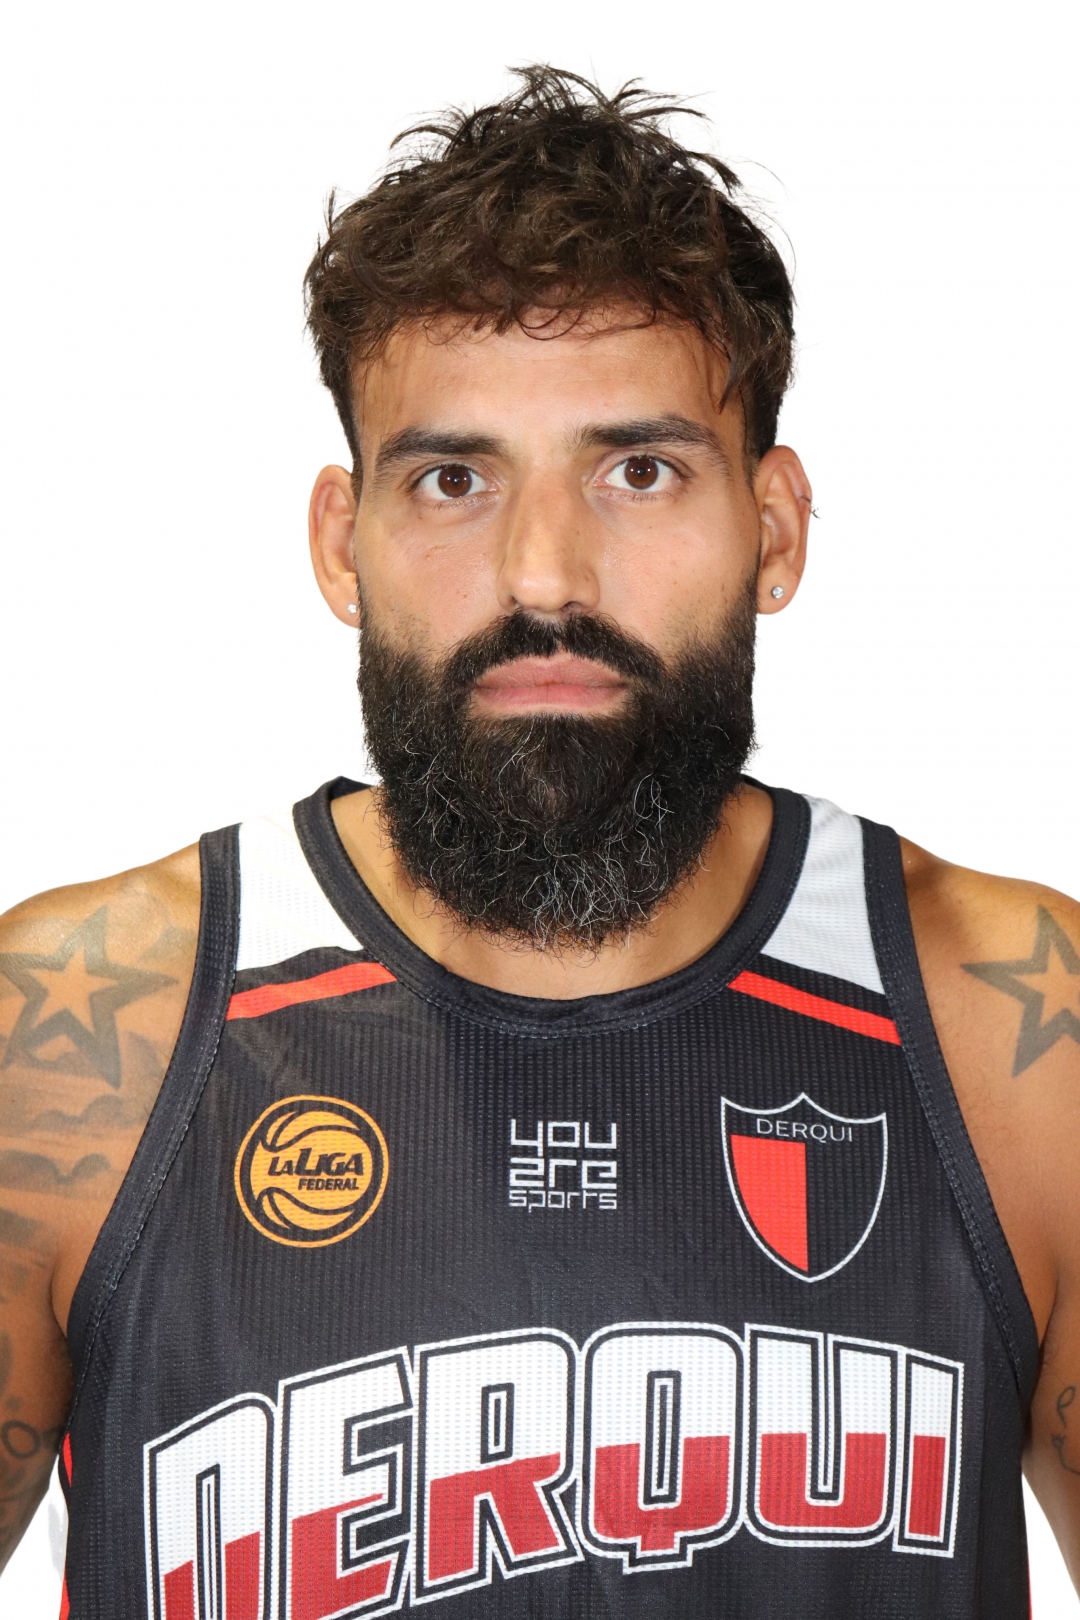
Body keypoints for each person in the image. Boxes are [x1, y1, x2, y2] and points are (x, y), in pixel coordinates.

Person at [0, 64, 1077, 1620]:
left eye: (639, 471)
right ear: (342, 543)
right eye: (454, 478)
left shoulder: (1020, 1036)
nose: (545, 575)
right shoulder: (71, 1042)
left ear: (773, 529)